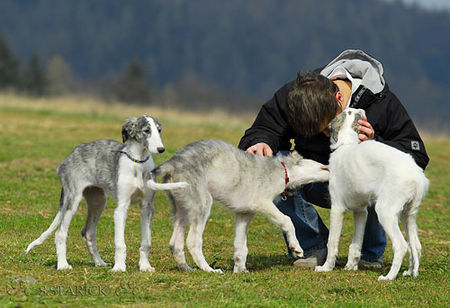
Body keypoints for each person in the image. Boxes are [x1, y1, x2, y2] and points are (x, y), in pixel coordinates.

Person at [238, 49, 429, 268]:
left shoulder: (381, 101)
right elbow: (264, 127)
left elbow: (416, 155)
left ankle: (370, 254)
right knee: (271, 168)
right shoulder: (297, 95)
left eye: (328, 128)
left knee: (383, 170)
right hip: (316, 178)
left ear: (339, 97)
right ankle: (313, 247)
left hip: (362, 186)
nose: (325, 135)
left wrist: (376, 143)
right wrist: (260, 142)